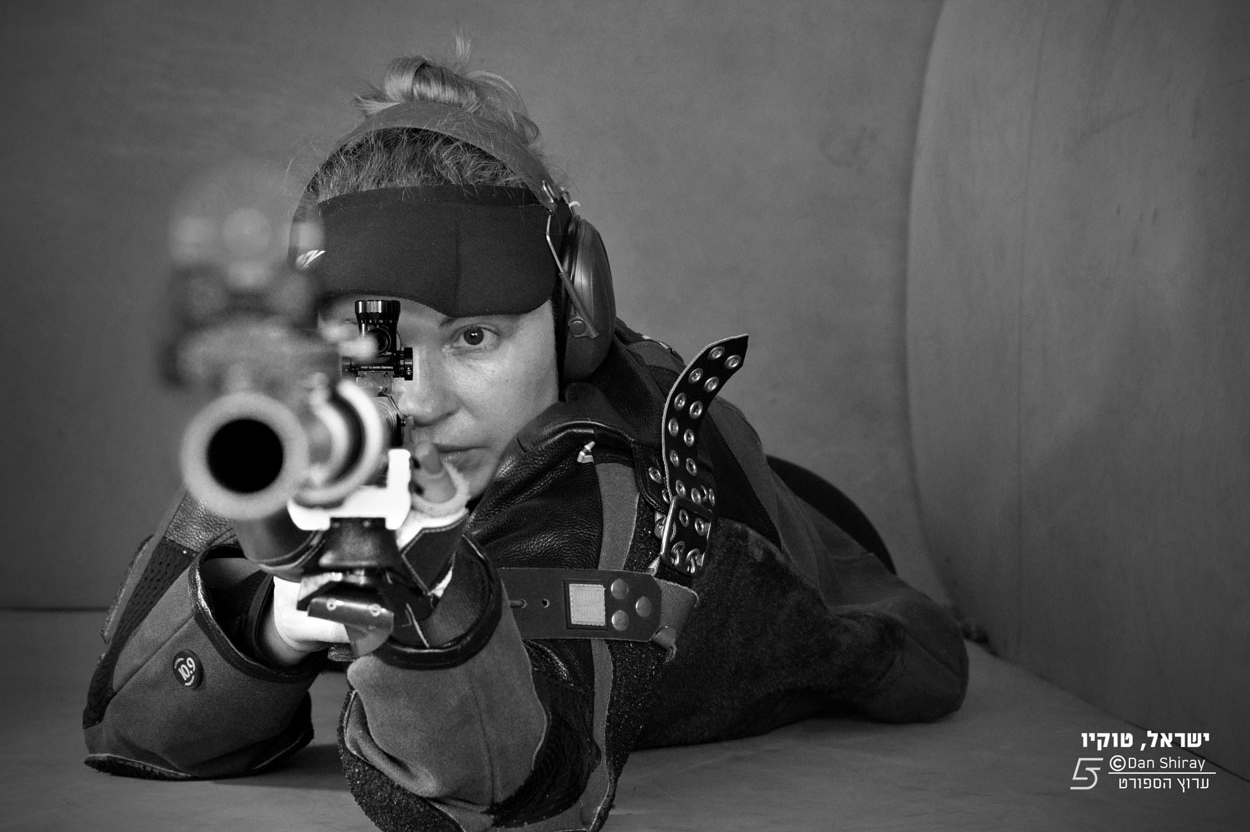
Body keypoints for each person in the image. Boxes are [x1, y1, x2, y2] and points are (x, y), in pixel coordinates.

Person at [84, 46, 968, 832]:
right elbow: (122, 719)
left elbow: (523, 794)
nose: (418, 399)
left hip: (796, 544)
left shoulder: (607, 473)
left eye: (474, 337)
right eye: (373, 342)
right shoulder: (311, 420)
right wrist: (270, 620)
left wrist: (424, 589)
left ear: (573, 325)